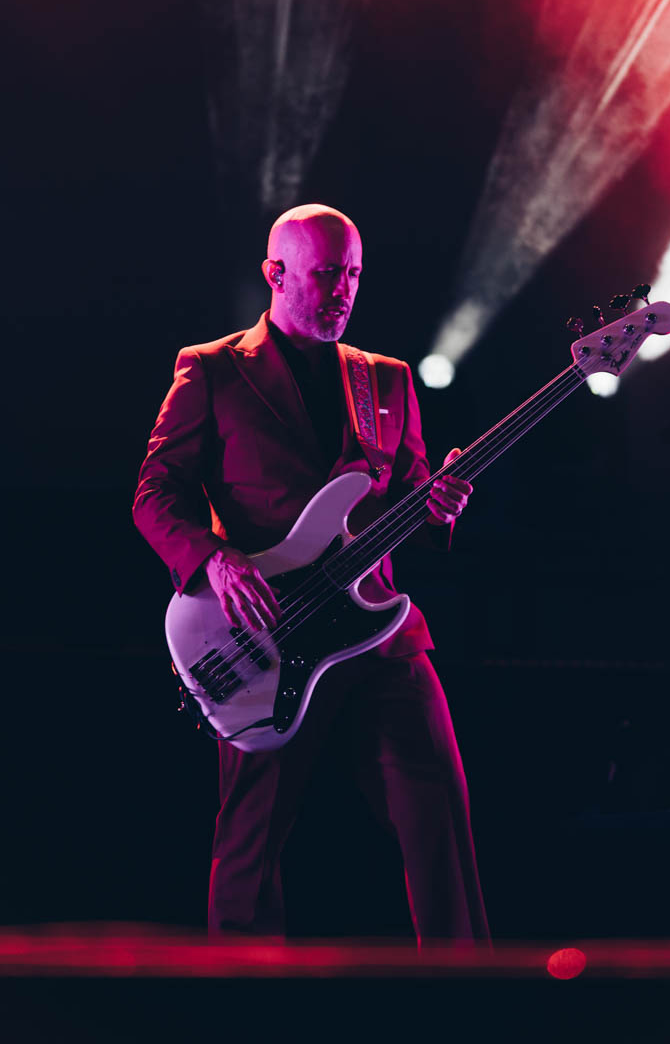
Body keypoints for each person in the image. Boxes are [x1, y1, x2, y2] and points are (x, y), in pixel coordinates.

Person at [133, 203, 490, 942]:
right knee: (250, 848)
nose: (343, 290)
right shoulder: (212, 369)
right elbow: (154, 494)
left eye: (353, 274)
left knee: (441, 822)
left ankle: (467, 990)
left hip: (380, 637)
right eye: (327, 274)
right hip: (266, 633)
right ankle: (243, 997)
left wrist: (440, 508)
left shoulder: (386, 380)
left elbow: (410, 500)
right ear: (276, 273)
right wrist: (214, 560)